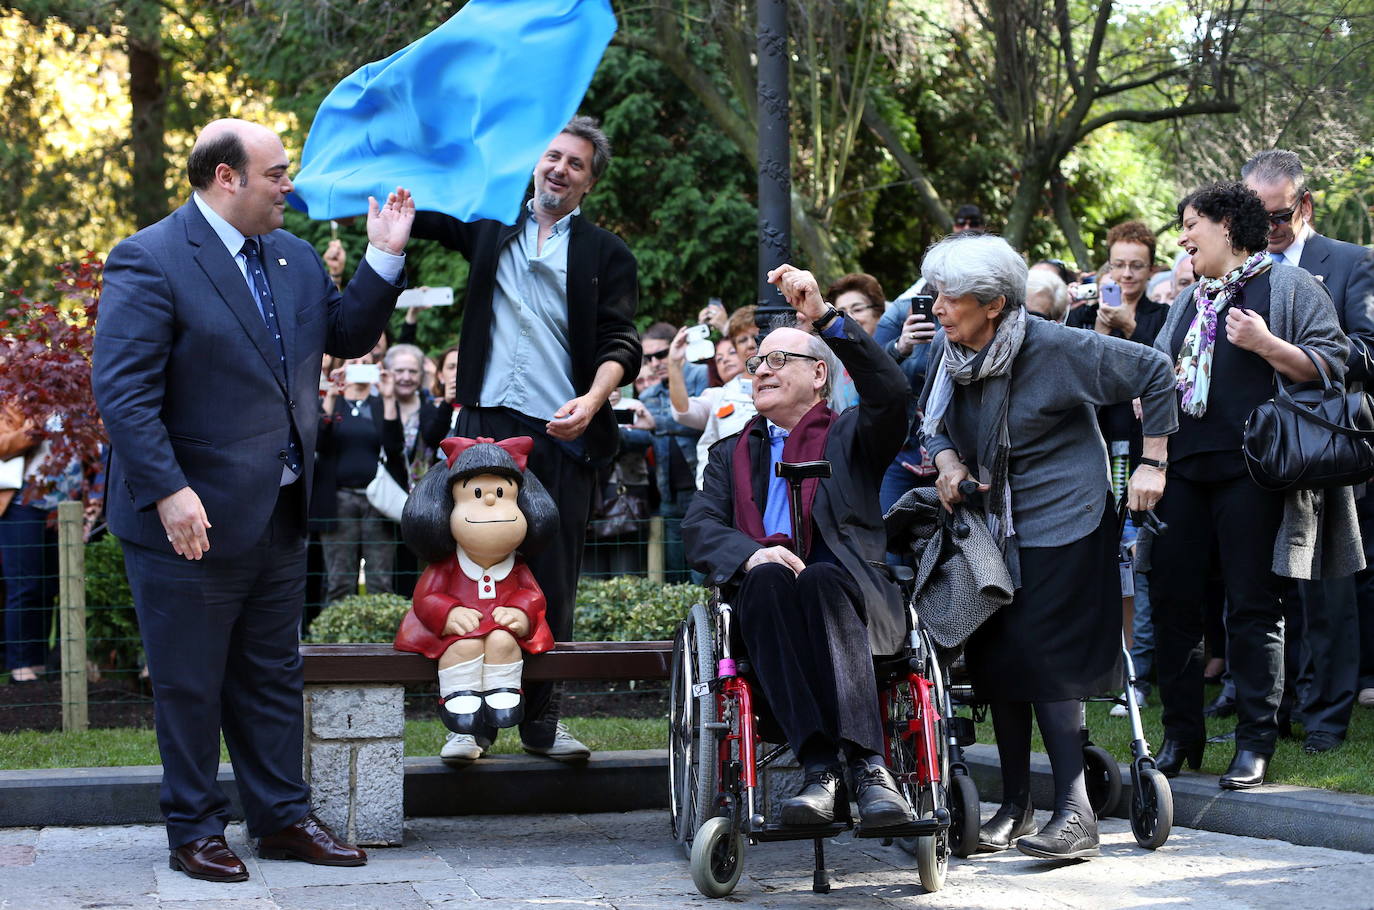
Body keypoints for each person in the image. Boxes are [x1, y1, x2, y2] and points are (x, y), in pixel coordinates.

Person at [91, 118, 413, 881]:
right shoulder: (150, 258)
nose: (288, 187)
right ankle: (195, 830)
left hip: (277, 512)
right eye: (276, 174)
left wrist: (385, 253)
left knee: (272, 675)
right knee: (190, 684)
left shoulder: (293, 256)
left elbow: (348, 332)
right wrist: (170, 491)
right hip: (186, 522)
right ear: (225, 177)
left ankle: (282, 819)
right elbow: (124, 394)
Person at [918, 232, 1175, 859]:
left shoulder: (1059, 347)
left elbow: (1156, 370)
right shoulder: (951, 353)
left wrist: (1154, 462)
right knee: (1001, 654)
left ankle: (1075, 810)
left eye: (949, 298)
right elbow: (931, 423)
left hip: (1066, 515)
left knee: (1044, 652)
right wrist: (949, 464)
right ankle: (1014, 803)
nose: (937, 308)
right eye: (935, 295)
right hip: (995, 521)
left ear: (995, 304)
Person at [407, 115, 639, 764]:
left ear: (590, 183)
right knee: (467, 575)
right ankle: (469, 725)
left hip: (559, 435)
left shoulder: (607, 254)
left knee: (552, 581)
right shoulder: (490, 227)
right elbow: (420, 207)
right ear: (536, 163)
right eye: (553, 156)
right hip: (484, 433)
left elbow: (621, 341)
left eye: (576, 164)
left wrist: (593, 403)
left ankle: (542, 723)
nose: (559, 169)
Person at [683, 263, 916, 829]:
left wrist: (825, 317)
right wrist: (752, 553)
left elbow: (891, 393)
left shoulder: (852, 434)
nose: (760, 369)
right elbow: (699, 527)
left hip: (850, 597)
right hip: (768, 615)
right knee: (764, 578)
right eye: (757, 361)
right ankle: (821, 769)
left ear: (818, 374)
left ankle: (865, 767)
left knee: (819, 576)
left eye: (777, 360)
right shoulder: (731, 452)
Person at [1148, 181, 1356, 791]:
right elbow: (1159, 368)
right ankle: (1180, 737)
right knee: (1173, 605)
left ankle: (1255, 743)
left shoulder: (1290, 287)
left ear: (1227, 227)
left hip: (1254, 473)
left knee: (1253, 606)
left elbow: (1332, 366)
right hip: (1183, 470)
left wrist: (1266, 344)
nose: (1183, 238)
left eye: (1192, 224)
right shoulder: (1189, 301)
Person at [1242, 149, 1374, 754]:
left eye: (1276, 216)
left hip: (1323, 446)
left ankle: (1327, 716)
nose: (1266, 229)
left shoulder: (1349, 262)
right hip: (1257, 454)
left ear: (1305, 206)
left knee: (1326, 589)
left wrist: (1294, 349)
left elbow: (1368, 353)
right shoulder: (1238, 273)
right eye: (1253, 216)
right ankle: (1275, 707)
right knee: (1264, 587)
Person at [315, 354, 406, 605]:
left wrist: (388, 397)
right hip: (338, 500)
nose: (358, 368)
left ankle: (381, 639)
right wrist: (332, 395)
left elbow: (395, 446)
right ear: (340, 367)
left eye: (365, 363)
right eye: (352, 363)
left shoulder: (381, 403)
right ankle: (333, 641)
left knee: (380, 580)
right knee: (338, 580)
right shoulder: (334, 402)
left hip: (378, 501)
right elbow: (319, 443)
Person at [629, 322, 706, 582]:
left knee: (702, 570)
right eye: (649, 358)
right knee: (674, 573)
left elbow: (697, 419)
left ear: (678, 348)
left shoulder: (700, 376)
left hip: (703, 487)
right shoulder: (649, 393)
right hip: (668, 492)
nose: (655, 362)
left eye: (661, 354)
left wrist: (655, 423)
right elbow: (641, 433)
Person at [670, 334, 755, 490]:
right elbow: (683, 412)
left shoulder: (774, 386)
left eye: (731, 352)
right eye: (718, 359)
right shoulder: (717, 395)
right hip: (725, 490)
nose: (725, 360)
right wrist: (674, 365)